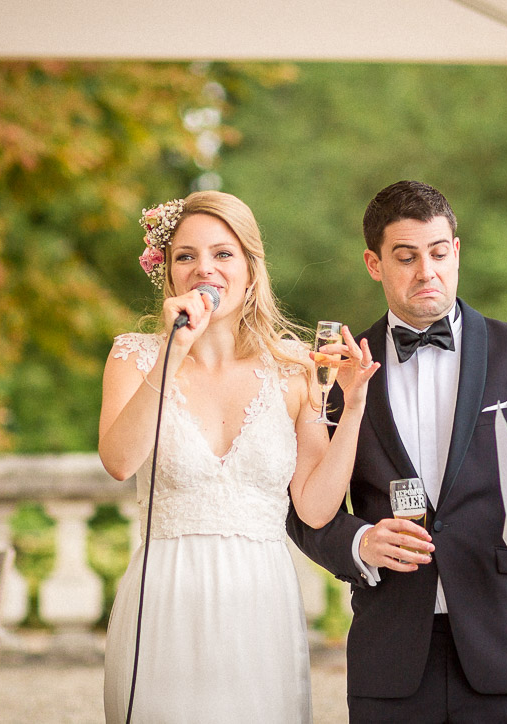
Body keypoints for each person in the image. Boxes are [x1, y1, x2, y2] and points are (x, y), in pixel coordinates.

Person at [287, 180, 507, 722]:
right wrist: (360, 541)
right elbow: (303, 507)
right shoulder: (334, 374)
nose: (426, 271)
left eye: (437, 253)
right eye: (405, 257)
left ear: (456, 252)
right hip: (390, 650)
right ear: (374, 263)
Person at [99, 190, 378, 723]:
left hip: (260, 600)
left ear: (250, 269)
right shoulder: (133, 356)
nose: (205, 268)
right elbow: (118, 460)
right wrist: (173, 351)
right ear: (170, 274)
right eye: (186, 256)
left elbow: (317, 507)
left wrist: (356, 402)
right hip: (165, 596)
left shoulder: (294, 366)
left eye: (223, 254)